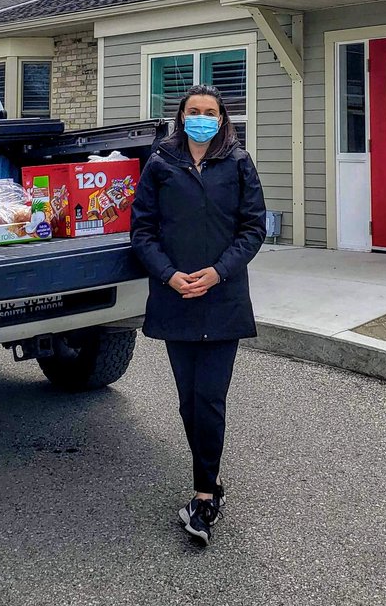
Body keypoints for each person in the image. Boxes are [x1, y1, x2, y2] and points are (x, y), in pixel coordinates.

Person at [130, 83, 266, 546]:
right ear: (181, 116)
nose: (202, 118)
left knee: (209, 398)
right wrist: (169, 275)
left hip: (222, 300)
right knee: (189, 401)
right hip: (177, 299)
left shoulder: (239, 163)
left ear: (222, 118)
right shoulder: (160, 163)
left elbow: (253, 228)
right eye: (194, 111)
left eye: (210, 112)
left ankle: (204, 496)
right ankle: (211, 476)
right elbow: (142, 230)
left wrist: (218, 272)